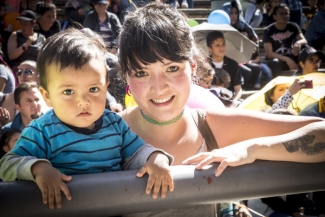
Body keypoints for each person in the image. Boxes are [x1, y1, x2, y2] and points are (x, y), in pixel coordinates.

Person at [115, 2, 325, 216]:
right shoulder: (104, 133)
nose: (158, 87)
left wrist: (252, 148)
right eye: (141, 73)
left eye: (172, 68)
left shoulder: (214, 125)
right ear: (125, 76)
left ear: (193, 67)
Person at [0, 29, 174, 210]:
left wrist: (155, 157)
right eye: (68, 91)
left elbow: (136, 153)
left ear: (106, 87)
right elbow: (7, 164)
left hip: (113, 207)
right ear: (47, 95)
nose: (83, 101)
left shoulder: (114, 124)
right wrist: (38, 168)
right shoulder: (42, 130)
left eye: (93, 89)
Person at [263, 3, 307, 76]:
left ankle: (306, 79)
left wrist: (298, 43)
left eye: (286, 13)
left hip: (291, 56)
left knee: (307, 49)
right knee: (274, 63)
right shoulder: (268, 30)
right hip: (277, 59)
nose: (284, 16)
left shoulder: (293, 26)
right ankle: (278, 85)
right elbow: (269, 54)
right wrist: (287, 59)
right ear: (274, 16)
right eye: (281, 13)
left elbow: (304, 40)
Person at [207, 30, 243, 105]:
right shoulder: (205, 65)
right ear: (209, 48)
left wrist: (234, 102)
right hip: (209, 101)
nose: (222, 48)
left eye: (223, 44)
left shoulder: (233, 64)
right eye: (217, 45)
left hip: (228, 100)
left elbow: (238, 88)